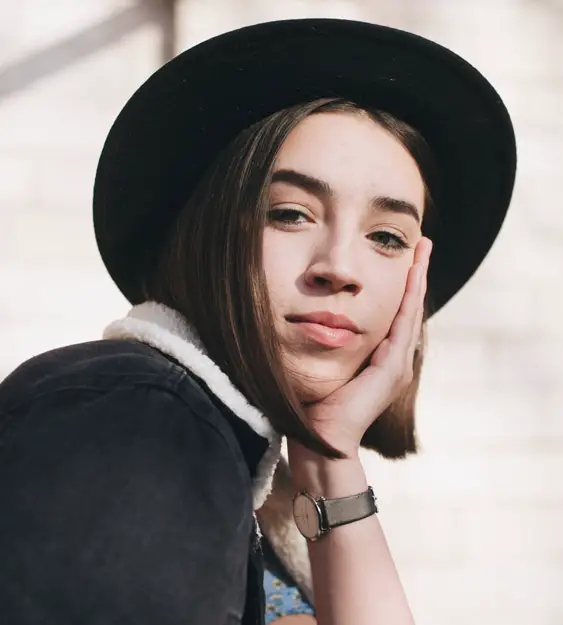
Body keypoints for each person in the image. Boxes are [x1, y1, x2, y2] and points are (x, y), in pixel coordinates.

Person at [0, 18, 516, 625]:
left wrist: (330, 457)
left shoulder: (247, 475)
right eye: (292, 214)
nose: (340, 268)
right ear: (211, 231)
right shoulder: (140, 420)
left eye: (386, 236)